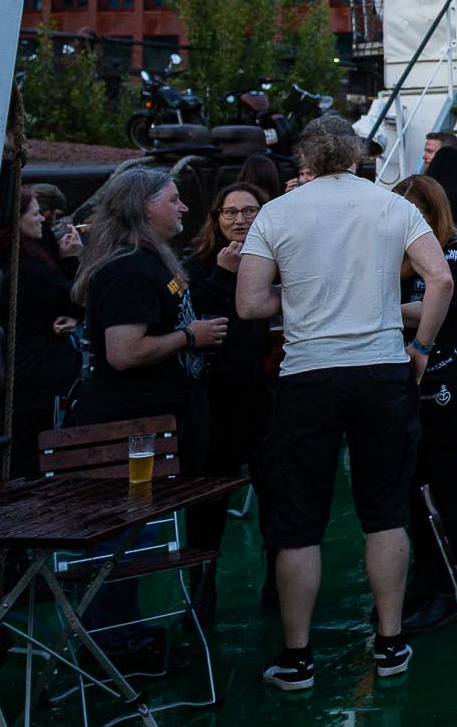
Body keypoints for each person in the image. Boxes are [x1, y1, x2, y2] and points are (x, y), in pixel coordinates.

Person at [237, 115, 454, 689]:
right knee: (385, 514)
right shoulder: (392, 206)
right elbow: (441, 280)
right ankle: (390, 642)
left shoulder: (277, 213)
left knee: (299, 523)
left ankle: (297, 657)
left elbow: (250, 305)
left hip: (308, 375)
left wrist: (302, 293)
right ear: (356, 156)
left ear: (306, 159)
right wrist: (421, 347)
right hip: (381, 371)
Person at [68, 167, 229, 671]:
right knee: (124, 536)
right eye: (173, 199)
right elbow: (123, 351)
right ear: (144, 207)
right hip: (129, 429)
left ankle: (123, 637)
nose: (184, 208)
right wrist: (190, 337)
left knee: (136, 533)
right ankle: (113, 646)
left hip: (151, 425)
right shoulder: (128, 271)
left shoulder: (149, 261)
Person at [390, 174, 457, 633]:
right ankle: (426, 577)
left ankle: (448, 587)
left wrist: (374, 308)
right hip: (409, 380)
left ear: (434, 213)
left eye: (416, 214)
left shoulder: (456, 252)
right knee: (413, 483)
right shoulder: (403, 255)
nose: (407, 223)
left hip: (446, 381)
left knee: (441, 480)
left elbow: (437, 306)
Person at [183, 183, 276, 605]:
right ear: (216, 218)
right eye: (231, 212)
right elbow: (191, 315)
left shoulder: (276, 259)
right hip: (214, 399)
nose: (240, 219)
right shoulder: (197, 263)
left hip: (264, 394)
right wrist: (223, 274)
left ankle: (278, 586)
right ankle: (202, 595)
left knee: (276, 492)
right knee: (208, 503)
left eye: (250, 211)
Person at [7, 187, 85, 477]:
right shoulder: (30, 270)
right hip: (35, 379)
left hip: (32, 373)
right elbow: (76, 297)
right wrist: (72, 259)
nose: (42, 219)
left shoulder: (26, 256)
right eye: (35, 214)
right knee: (31, 455)